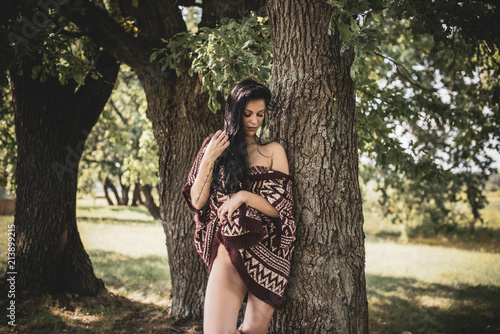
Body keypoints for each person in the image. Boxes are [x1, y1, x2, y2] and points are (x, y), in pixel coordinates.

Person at [181, 79, 296, 334]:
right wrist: (209, 159)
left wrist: (243, 196)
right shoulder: (214, 147)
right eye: (247, 114)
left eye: (260, 114)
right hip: (229, 253)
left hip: (269, 256)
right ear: (235, 112)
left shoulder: (273, 150)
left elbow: (281, 209)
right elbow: (198, 201)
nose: (254, 121)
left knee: (253, 330)